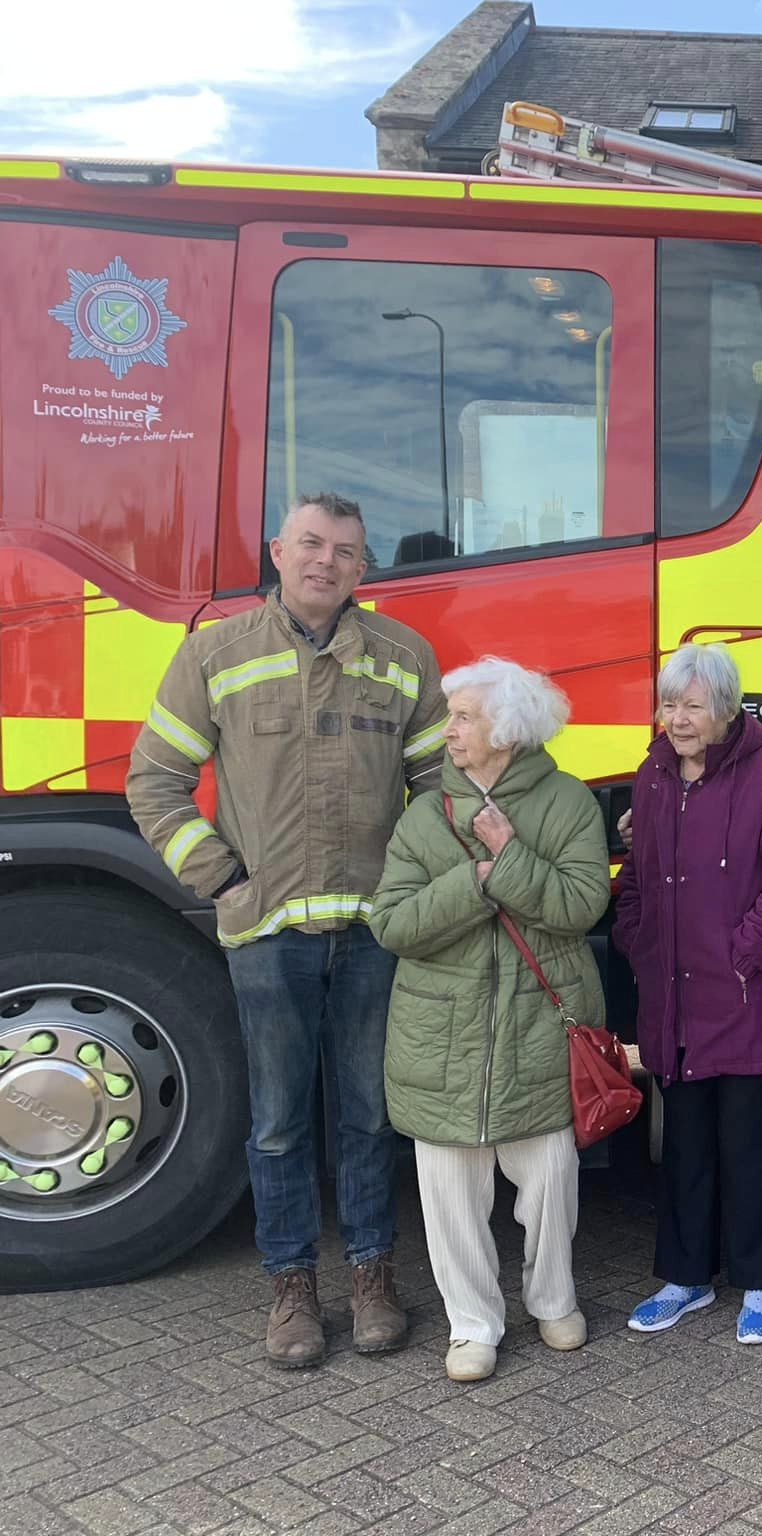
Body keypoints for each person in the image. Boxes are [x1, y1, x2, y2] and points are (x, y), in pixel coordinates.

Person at [126, 491, 446, 1368]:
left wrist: (416, 891)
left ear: (363, 568)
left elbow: (441, 793)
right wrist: (223, 876)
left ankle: (373, 1279)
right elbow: (152, 781)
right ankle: (291, 1288)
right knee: (275, 1122)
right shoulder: (215, 653)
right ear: (277, 551)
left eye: (345, 551)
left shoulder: (404, 658)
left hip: (375, 932)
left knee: (370, 1117)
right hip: (266, 934)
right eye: (311, 544)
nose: (326, 562)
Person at [367, 659, 609, 1382]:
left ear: (505, 730)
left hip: (539, 1027)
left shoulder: (567, 803)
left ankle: (552, 1298)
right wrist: (474, 882)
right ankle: (472, 1326)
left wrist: (508, 857)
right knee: (448, 1195)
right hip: (440, 1038)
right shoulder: (421, 815)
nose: (451, 732)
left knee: (551, 1177)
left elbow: (579, 906)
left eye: (465, 717)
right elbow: (394, 925)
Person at [613, 643, 762, 1345]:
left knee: (755, 1144)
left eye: (692, 705)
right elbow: (635, 878)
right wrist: (637, 939)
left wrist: (740, 957)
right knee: (687, 1145)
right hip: (674, 1001)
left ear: (726, 710)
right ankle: (686, 1277)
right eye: (670, 704)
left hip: (749, 998)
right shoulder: (653, 777)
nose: (678, 718)